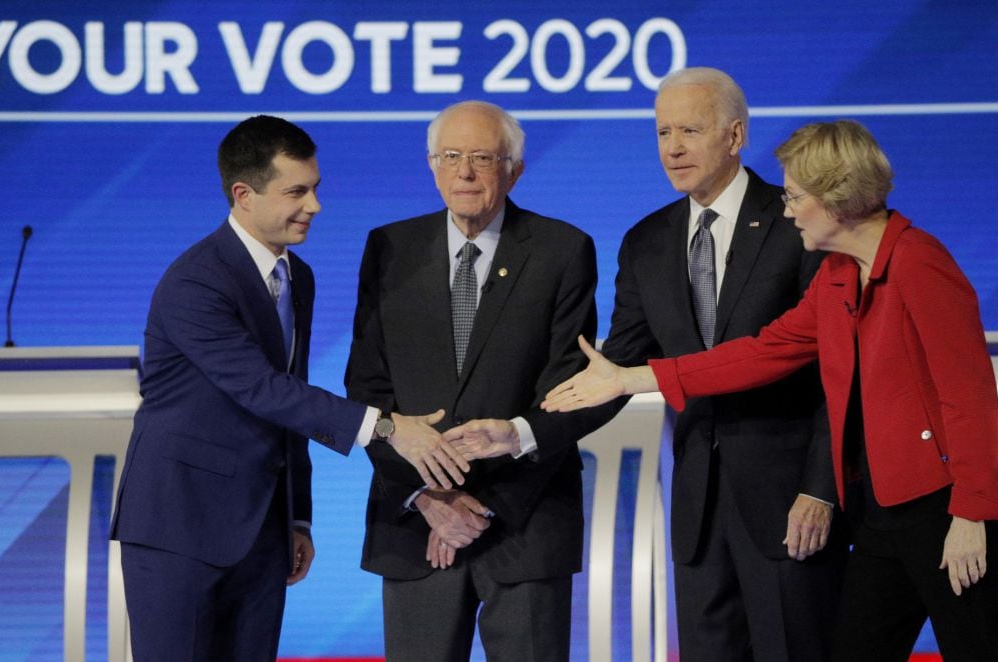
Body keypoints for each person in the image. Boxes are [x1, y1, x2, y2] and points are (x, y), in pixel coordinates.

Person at [544, 119, 998, 662]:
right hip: (881, 511)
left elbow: (970, 396)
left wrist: (972, 513)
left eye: (794, 196)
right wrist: (633, 377)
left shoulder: (920, 263)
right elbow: (761, 352)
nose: (786, 209)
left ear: (836, 198)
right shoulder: (838, 275)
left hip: (945, 507)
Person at [453, 67, 844, 662]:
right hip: (697, 506)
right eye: (663, 133)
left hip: (790, 501)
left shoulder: (797, 223)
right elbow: (615, 371)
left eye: (690, 129)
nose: (674, 148)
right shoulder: (648, 241)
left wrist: (822, 488)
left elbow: (832, 371)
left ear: (735, 136)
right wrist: (522, 431)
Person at [109, 115, 469, 662]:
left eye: (315, 188)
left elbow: (290, 403)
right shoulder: (196, 281)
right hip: (177, 527)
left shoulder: (296, 276)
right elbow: (262, 389)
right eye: (296, 192)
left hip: (260, 531)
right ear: (243, 194)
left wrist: (296, 517)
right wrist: (388, 427)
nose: (315, 206)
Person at [344, 100, 601, 662]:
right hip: (416, 525)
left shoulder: (562, 251)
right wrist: (429, 497)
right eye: (451, 156)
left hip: (526, 524)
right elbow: (367, 388)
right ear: (432, 166)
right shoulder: (389, 248)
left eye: (482, 158)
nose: (464, 172)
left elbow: (567, 388)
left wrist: (484, 508)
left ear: (514, 171)